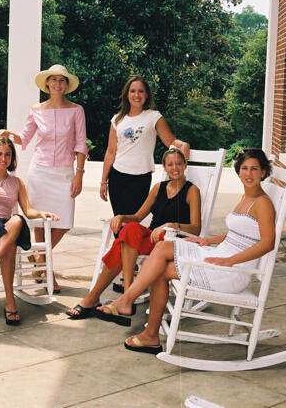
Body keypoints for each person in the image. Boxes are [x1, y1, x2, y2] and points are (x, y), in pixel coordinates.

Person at [95, 148, 275, 354]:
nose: (248, 173)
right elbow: (238, 235)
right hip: (221, 255)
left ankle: (133, 310)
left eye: (254, 169)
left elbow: (268, 243)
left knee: (160, 267)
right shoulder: (246, 198)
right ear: (238, 171)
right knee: (162, 252)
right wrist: (208, 240)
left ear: (263, 172)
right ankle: (142, 323)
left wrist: (231, 260)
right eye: (244, 168)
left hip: (232, 271)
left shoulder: (263, 203)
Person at [0, 64, 88, 293]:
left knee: (64, 223)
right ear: (47, 84)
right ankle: (44, 269)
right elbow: (25, 138)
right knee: (40, 223)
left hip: (64, 173)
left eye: (62, 81)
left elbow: (81, 143)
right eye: (54, 80)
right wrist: (6, 133)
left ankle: (40, 259)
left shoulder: (76, 110)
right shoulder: (36, 110)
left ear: (66, 85)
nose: (58, 84)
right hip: (39, 172)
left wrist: (79, 174)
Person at [66, 147, 201, 319]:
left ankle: (94, 298)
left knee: (120, 244)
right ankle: (127, 293)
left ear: (185, 165)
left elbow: (196, 227)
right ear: (164, 167)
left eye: (179, 164)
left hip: (170, 241)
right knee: (129, 229)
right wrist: (121, 216)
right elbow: (137, 217)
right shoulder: (158, 188)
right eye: (170, 164)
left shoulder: (192, 191)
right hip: (153, 237)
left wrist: (171, 225)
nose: (175, 168)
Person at [0, 136, 59, 325]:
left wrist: (42, 213)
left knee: (16, 221)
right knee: (11, 244)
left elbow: (28, 211)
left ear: (12, 157)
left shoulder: (17, 182)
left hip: (6, 226)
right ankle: (10, 301)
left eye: (7, 154)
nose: (3, 159)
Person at [100, 75, 190, 217]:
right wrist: (103, 181)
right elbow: (111, 152)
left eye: (141, 91)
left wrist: (183, 145)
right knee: (119, 221)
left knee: (130, 221)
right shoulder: (117, 120)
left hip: (141, 178)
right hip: (117, 176)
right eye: (132, 91)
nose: (137, 95)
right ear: (127, 94)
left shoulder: (154, 117)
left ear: (147, 94)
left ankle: (122, 240)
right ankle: (120, 241)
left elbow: (170, 141)